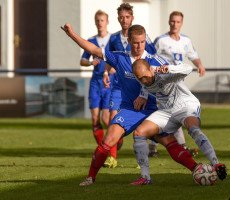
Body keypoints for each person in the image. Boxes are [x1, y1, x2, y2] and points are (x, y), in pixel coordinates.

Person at [62, 23, 196, 186]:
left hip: (153, 111)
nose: (139, 46)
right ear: (128, 40)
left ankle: (197, 169)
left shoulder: (156, 61)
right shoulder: (120, 58)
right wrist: (72, 34)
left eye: (142, 42)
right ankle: (91, 177)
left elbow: (172, 79)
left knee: (168, 142)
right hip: (129, 111)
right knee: (108, 140)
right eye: (135, 42)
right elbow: (93, 50)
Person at [131, 59, 227, 184]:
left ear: (151, 69)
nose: (144, 80)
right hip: (166, 111)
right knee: (139, 133)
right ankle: (145, 178)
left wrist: (168, 68)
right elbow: (144, 86)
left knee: (193, 129)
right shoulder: (143, 79)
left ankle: (216, 163)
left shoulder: (163, 72)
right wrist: (142, 96)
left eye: (145, 76)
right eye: (139, 78)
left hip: (185, 105)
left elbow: (187, 68)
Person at [103, 3, 157, 168]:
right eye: (121, 17)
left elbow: (151, 59)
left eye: (127, 17)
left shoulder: (142, 36)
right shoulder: (113, 38)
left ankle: (141, 157)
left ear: (132, 18)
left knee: (141, 123)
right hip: (119, 85)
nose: (124, 20)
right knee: (109, 119)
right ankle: (112, 155)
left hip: (139, 86)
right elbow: (109, 58)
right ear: (118, 19)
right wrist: (106, 72)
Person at [149, 11, 206, 157]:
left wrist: (200, 65)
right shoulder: (161, 40)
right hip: (163, 84)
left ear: (182, 23)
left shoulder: (185, 41)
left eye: (178, 22)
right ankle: (162, 146)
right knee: (169, 113)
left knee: (173, 112)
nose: (175, 24)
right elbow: (149, 57)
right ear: (169, 22)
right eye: (172, 21)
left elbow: (194, 56)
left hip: (178, 84)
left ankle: (172, 146)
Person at [80, 10, 112, 148]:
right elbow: (82, 60)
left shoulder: (113, 40)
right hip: (95, 82)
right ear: (95, 22)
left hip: (110, 81)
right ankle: (102, 150)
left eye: (102, 20)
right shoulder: (91, 41)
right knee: (94, 118)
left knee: (106, 118)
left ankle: (114, 141)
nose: (100, 23)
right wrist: (90, 63)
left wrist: (111, 71)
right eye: (97, 20)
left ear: (107, 22)